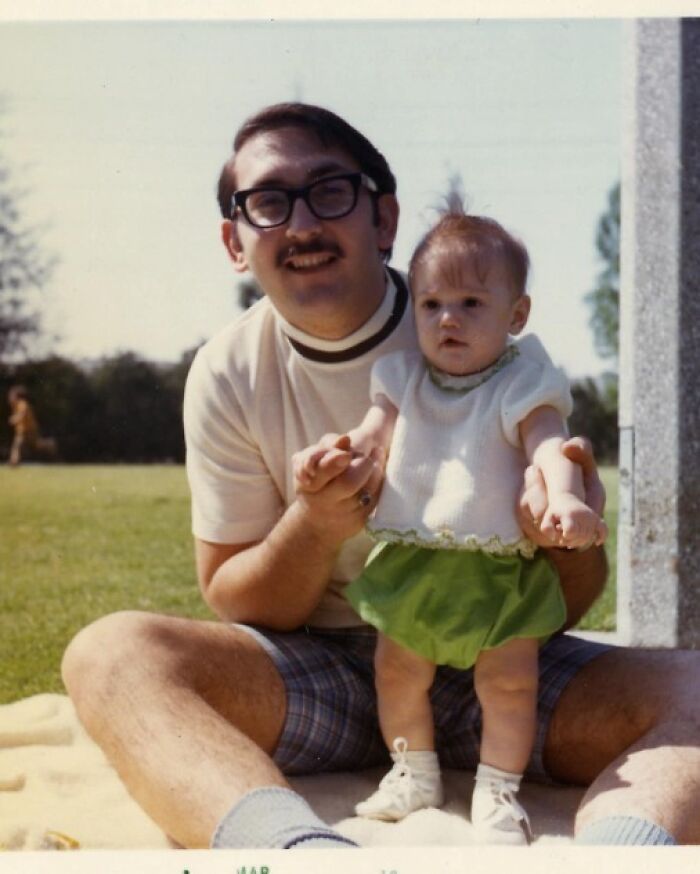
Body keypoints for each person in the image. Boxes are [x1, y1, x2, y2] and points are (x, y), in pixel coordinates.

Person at [61, 103, 699, 850]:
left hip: (492, 659)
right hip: (314, 675)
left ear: (384, 219)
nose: (300, 224)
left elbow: (569, 603)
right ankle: (296, 854)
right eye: (267, 203)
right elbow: (232, 592)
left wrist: (560, 532)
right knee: (110, 655)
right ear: (236, 244)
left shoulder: (480, 328)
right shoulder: (227, 370)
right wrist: (317, 523)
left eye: (329, 190)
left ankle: (623, 854)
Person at [292, 208, 607, 843]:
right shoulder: (403, 378)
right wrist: (334, 454)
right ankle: (414, 771)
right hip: (415, 566)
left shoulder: (523, 380)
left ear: (515, 316)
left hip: (497, 574)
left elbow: (551, 448)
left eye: (469, 302)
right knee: (397, 672)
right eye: (432, 303)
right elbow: (371, 440)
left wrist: (567, 500)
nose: (447, 319)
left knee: (510, 684)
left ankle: (497, 790)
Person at [7, 385, 57, 467]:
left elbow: (23, 414)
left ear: (17, 396)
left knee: (18, 445)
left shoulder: (22, 404)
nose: (10, 398)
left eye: (11, 396)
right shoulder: (16, 405)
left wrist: (14, 419)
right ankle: (49, 444)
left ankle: (14, 462)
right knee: (28, 445)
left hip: (29, 430)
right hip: (23, 431)